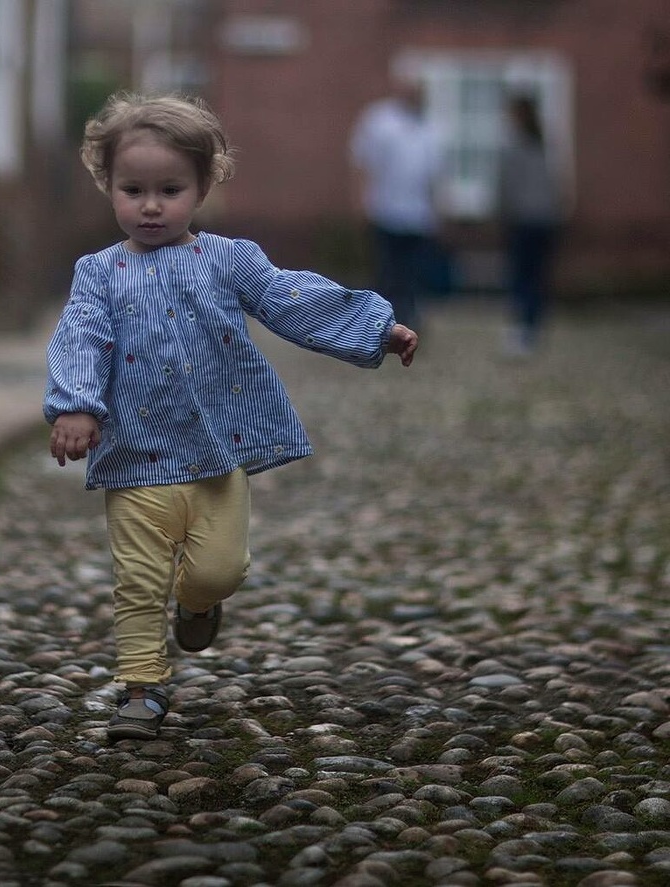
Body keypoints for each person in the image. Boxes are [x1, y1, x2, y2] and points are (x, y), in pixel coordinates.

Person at [45, 93, 418, 741]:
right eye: (133, 190)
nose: (151, 205)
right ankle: (142, 686)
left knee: (220, 569)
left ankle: (197, 603)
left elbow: (292, 299)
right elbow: (80, 336)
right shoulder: (98, 274)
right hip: (134, 459)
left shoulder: (228, 259)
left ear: (203, 185)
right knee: (137, 580)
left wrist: (376, 329)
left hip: (217, 455)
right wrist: (76, 404)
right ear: (108, 185)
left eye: (170, 189)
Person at [349, 72, 444, 330]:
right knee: (387, 270)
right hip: (386, 209)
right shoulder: (379, 121)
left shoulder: (430, 126)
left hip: (418, 214)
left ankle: (409, 318)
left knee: (413, 272)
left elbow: (435, 175)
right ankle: (383, 321)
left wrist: (437, 209)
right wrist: (361, 202)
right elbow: (362, 163)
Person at [496, 93, 562, 356]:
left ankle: (522, 329)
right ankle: (532, 326)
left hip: (523, 221)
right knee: (536, 276)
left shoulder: (513, 148)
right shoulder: (543, 147)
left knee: (522, 275)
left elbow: (505, 189)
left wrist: (501, 215)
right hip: (544, 221)